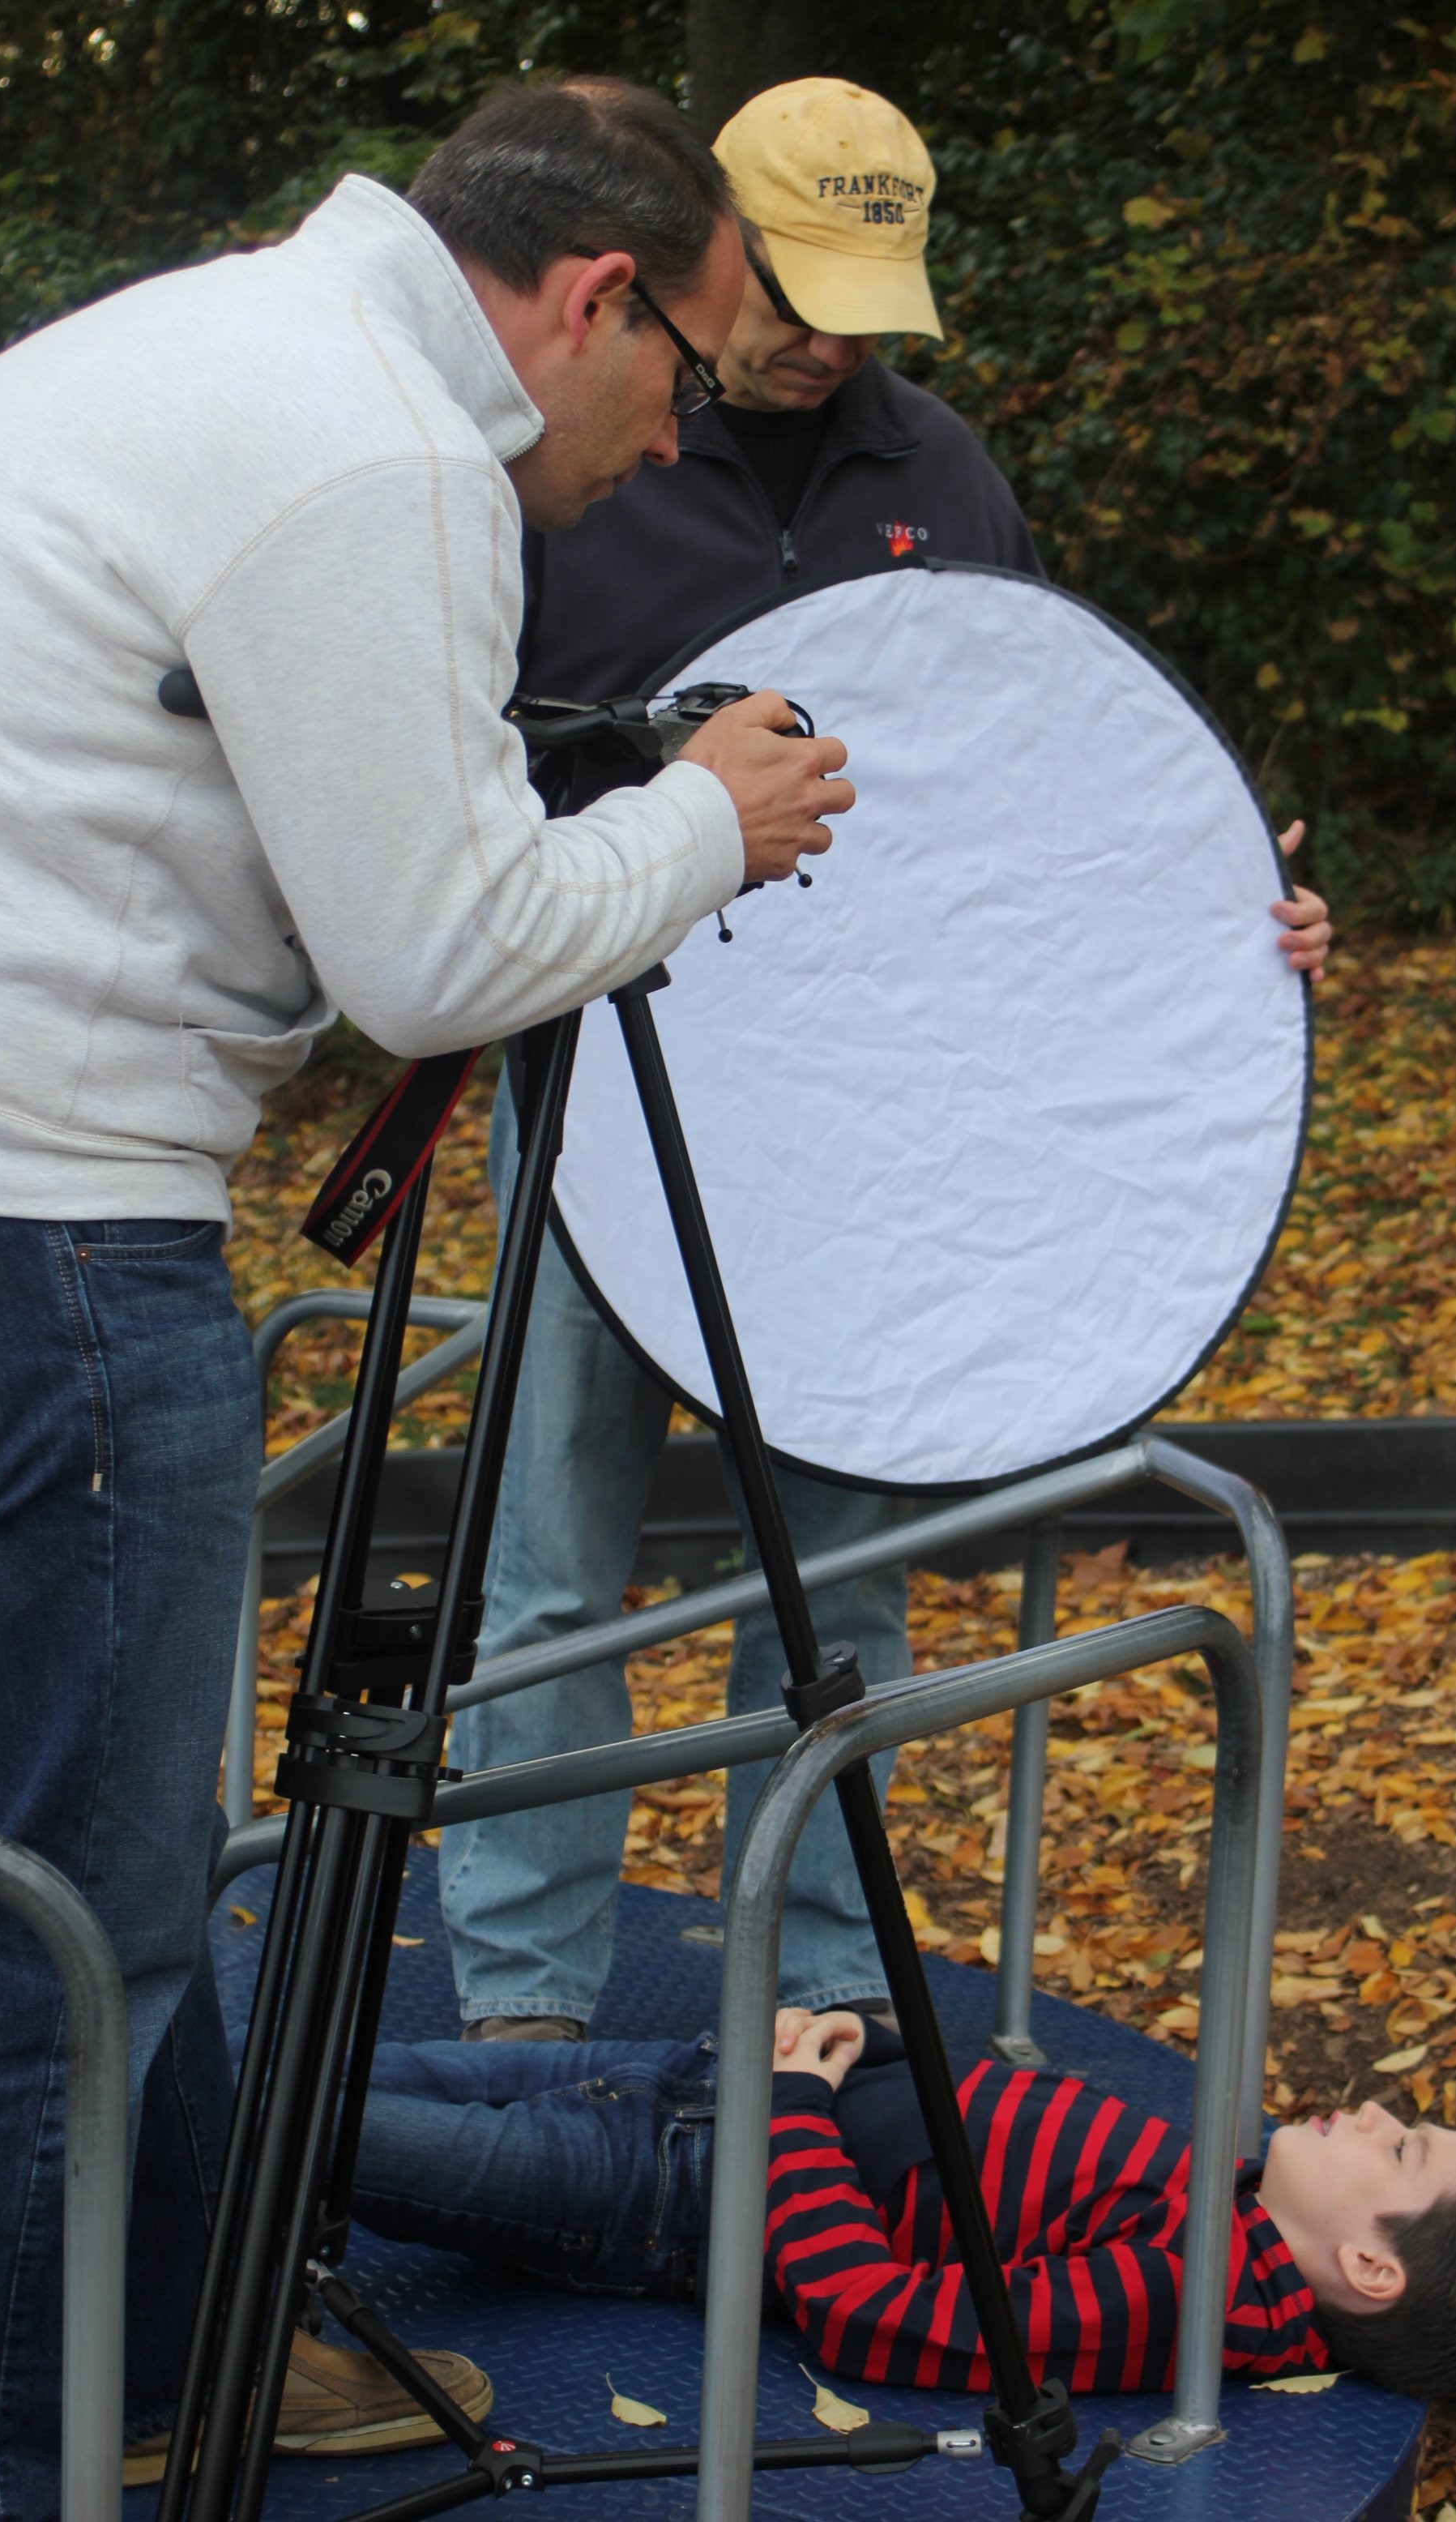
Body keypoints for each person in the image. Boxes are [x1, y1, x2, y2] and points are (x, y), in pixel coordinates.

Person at [0, 76, 856, 2514]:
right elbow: (442, 950)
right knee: (89, 1904)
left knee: (53, 1858)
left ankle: (170, 2344)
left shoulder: (212, 346)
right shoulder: (381, 459)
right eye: (681, 364)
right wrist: (709, 819)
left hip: (24, 1185)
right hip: (50, 1221)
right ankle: (98, 2418)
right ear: (591, 302)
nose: (672, 425)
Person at [442, 75, 1335, 2045]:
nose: (820, 333)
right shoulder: (562, 440)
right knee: (550, 1576)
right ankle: (518, 2006)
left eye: (863, 292)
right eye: (790, 285)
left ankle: (828, 1988)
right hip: (598, 1091)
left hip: (872, 1142)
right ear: (704, 238)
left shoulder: (938, 464)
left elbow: (1036, 793)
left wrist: (1220, 927)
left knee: (847, 1586)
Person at [349, 2007, 1456, 2417]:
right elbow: (991, 2145)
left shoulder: (1182, 2298)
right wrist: (864, 2050)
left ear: (1370, 2266)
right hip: (703, 2083)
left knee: (295, 2126)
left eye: (1399, 2146)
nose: (1368, 2112)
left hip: (669, 2186)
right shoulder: (1233, 2215)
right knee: (294, 2071)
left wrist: (793, 2104)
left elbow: (863, 2309)